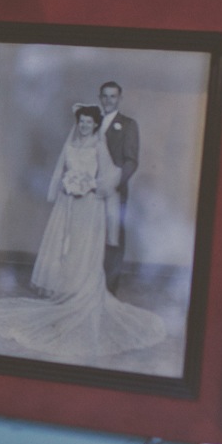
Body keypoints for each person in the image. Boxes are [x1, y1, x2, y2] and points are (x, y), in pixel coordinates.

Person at [0, 102, 165, 366]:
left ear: (95, 124)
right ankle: (67, 294)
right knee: (67, 249)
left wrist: (89, 185)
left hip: (91, 207)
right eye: (81, 121)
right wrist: (64, 186)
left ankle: (84, 295)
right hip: (68, 205)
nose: (84, 126)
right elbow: (60, 170)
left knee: (86, 250)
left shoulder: (99, 146)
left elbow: (109, 177)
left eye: (88, 122)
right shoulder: (71, 143)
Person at [99, 80, 138, 294]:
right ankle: (88, 287)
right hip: (91, 193)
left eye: (113, 96)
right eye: (105, 96)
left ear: (119, 99)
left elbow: (132, 161)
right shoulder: (92, 121)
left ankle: (109, 290)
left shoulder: (128, 125)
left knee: (113, 240)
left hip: (115, 191)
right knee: (91, 237)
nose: (108, 100)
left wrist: (114, 182)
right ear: (100, 98)